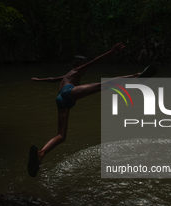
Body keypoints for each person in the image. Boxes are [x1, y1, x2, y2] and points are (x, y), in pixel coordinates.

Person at [28, 43, 157, 177]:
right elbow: (95, 62)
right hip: (68, 93)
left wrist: (38, 80)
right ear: (76, 64)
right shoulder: (76, 70)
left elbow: (54, 79)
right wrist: (110, 52)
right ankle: (136, 76)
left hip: (62, 99)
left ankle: (40, 154)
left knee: (61, 136)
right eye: (83, 65)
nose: (85, 68)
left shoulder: (69, 74)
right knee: (104, 85)